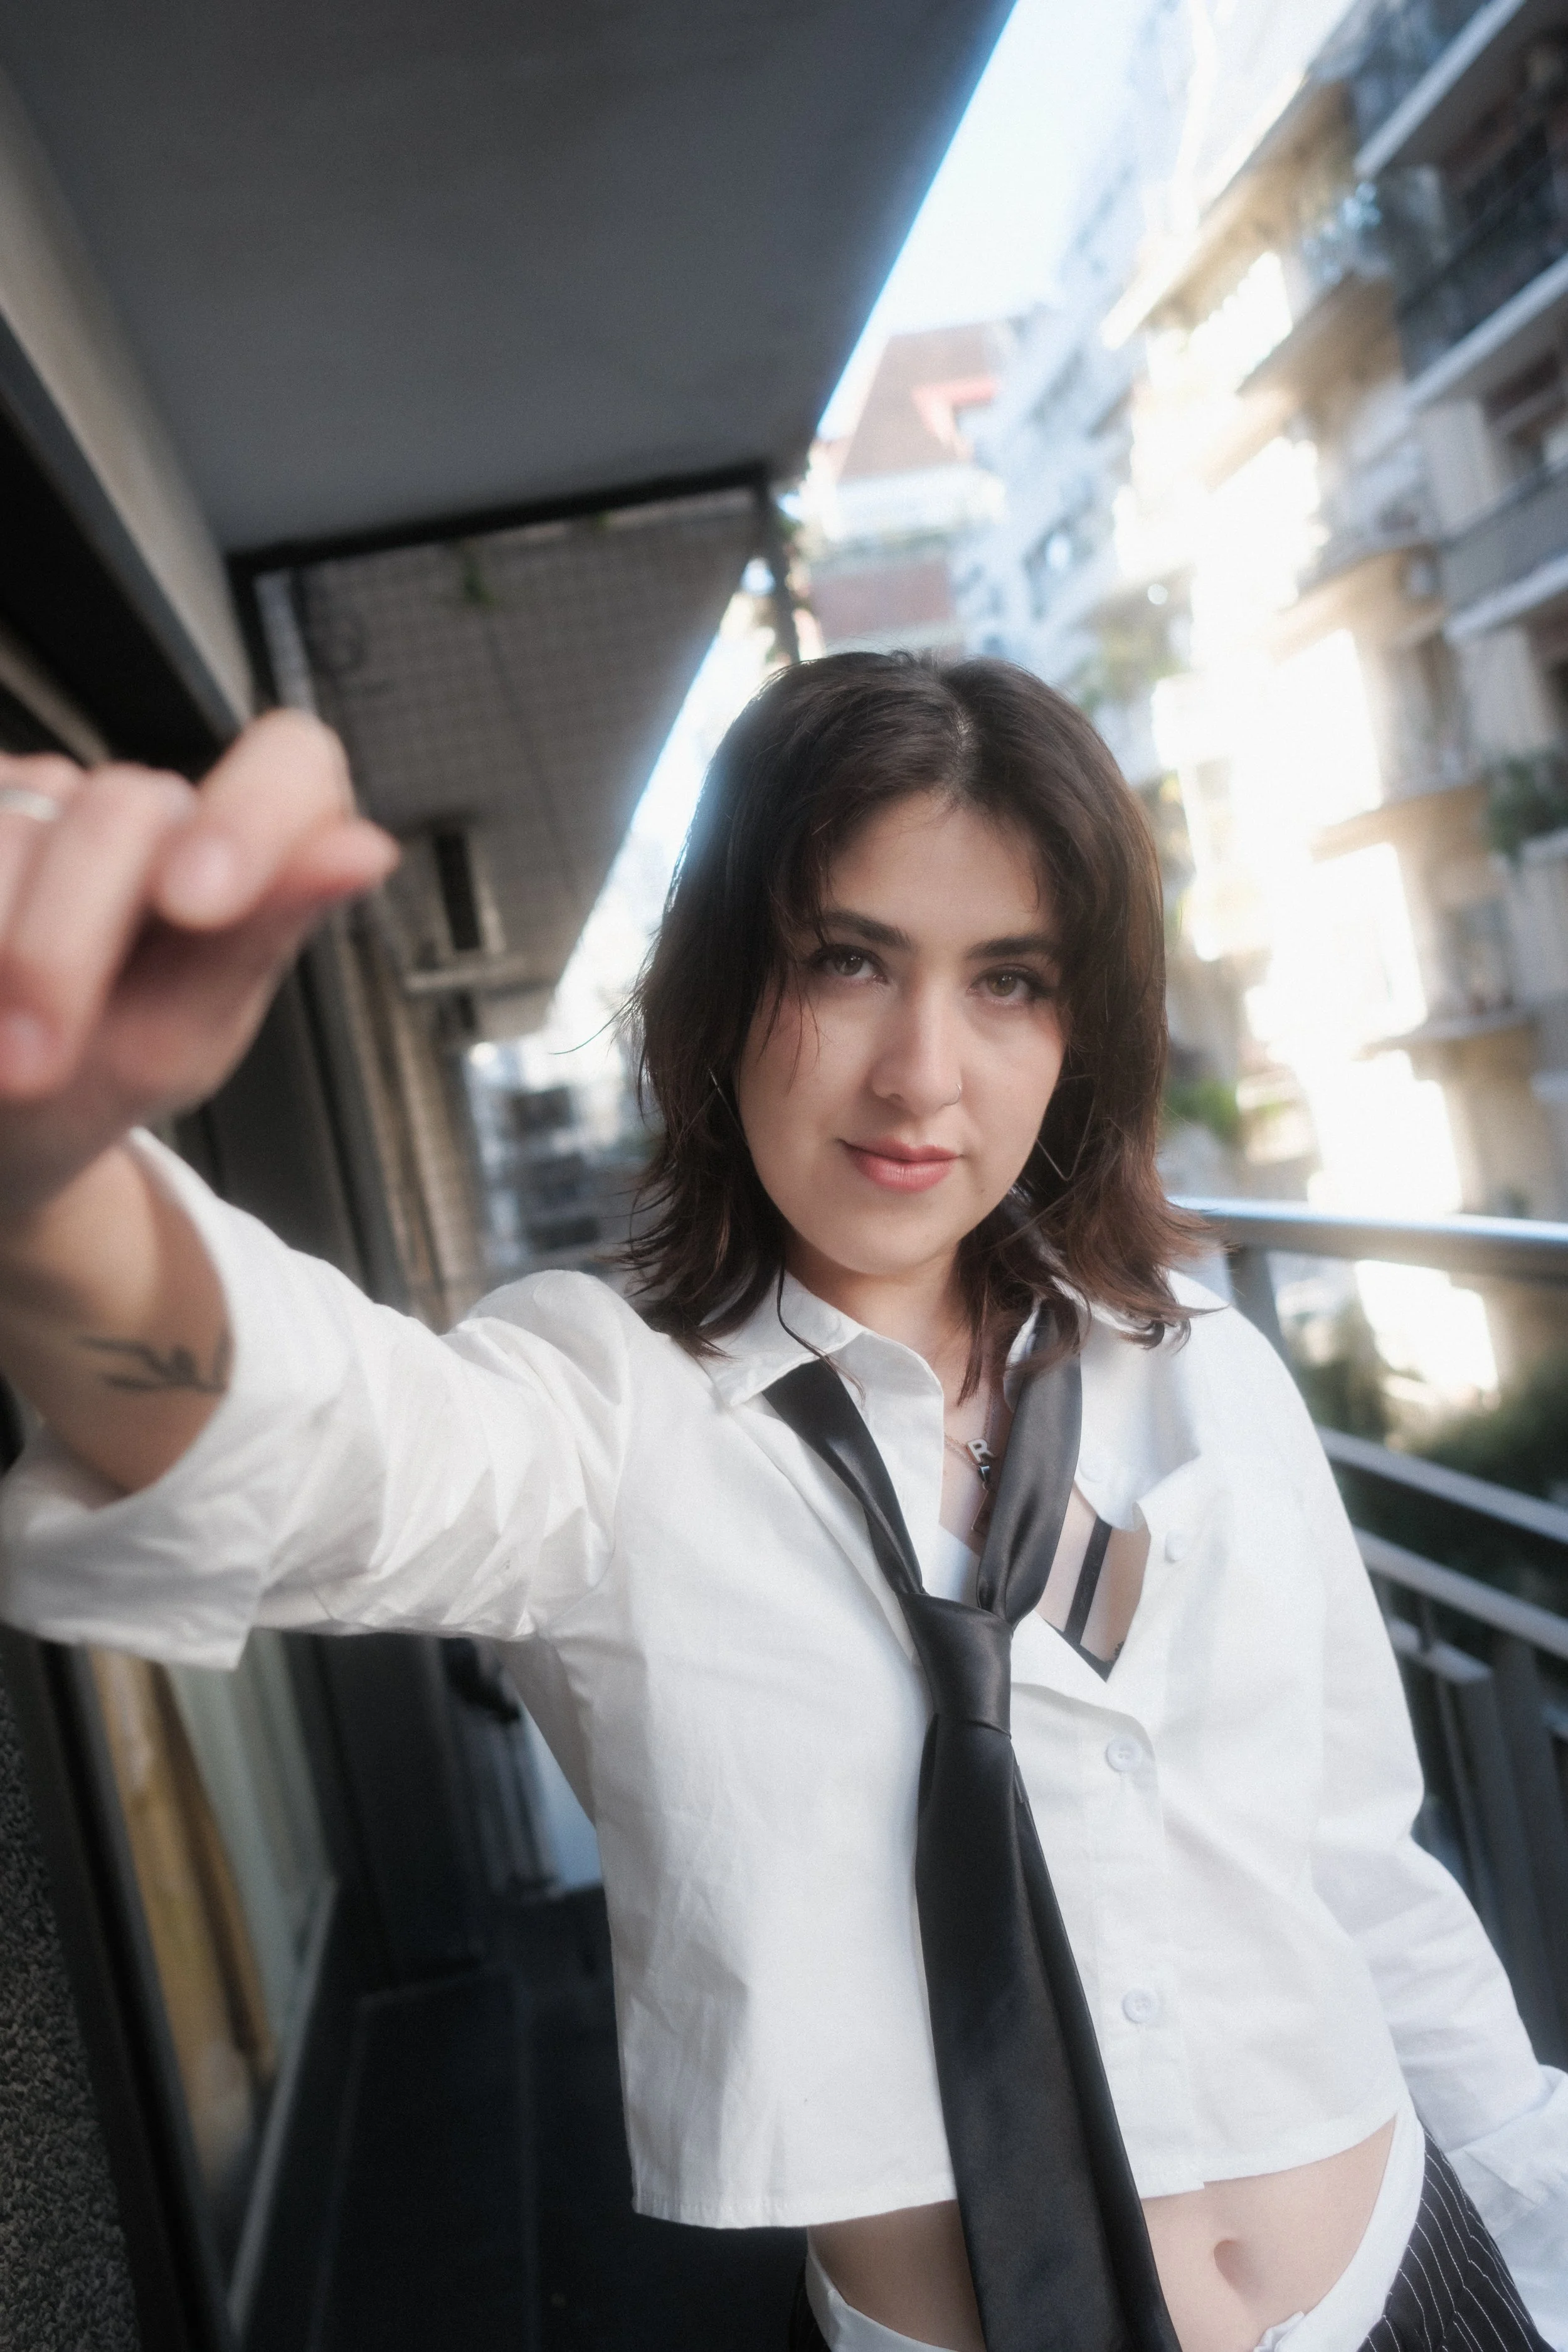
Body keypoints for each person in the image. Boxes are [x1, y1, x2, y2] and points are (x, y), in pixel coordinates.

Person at [0, 654, 1562, 2352]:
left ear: (1080, 1031)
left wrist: (1539, 2255)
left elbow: (1359, 1868)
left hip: (1415, 2277)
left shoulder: (1200, 1373)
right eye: (845, 958)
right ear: (720, 984)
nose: (919, 1075)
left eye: (1010, 982)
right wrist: (52, 1183)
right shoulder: (609, 1411)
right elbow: (315, 1442)